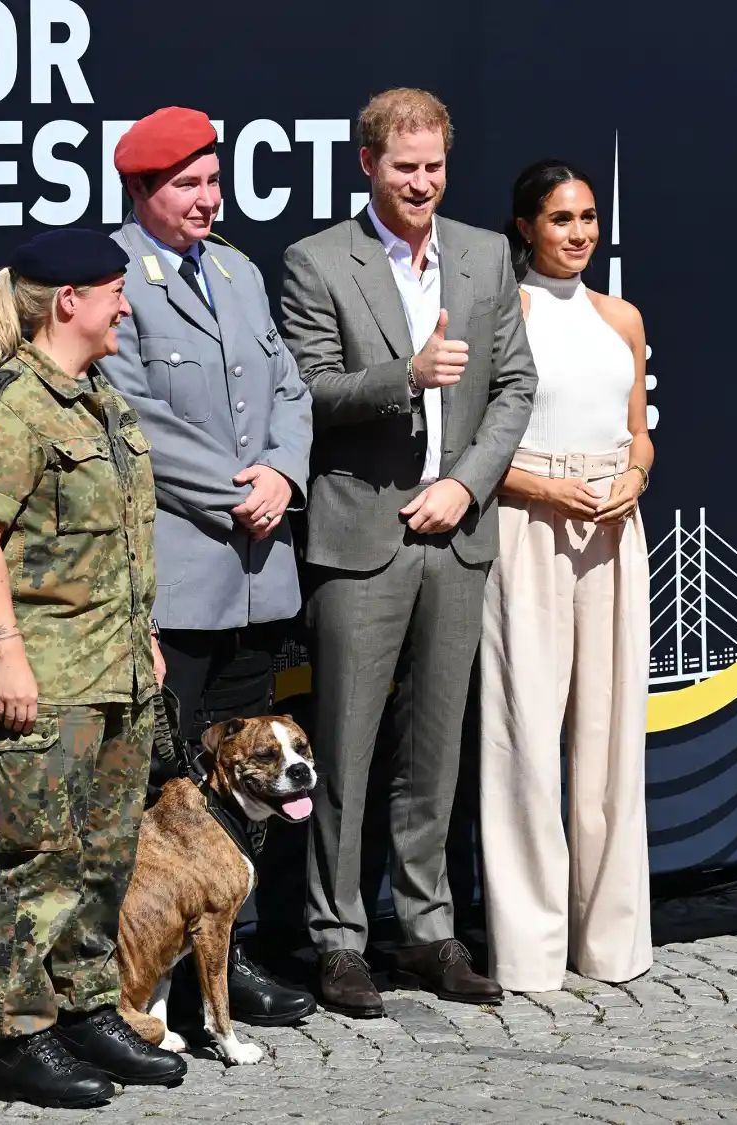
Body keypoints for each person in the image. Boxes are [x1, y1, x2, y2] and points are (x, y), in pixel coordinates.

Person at [280, 88, 538, 1016]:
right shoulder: (317, 262)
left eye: (433, 167)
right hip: (361, 540)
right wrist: (407, 377)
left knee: (434, 750)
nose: (421, 183)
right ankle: (338, 939)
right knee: (343, 752)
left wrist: (466, 483)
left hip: (458, 533)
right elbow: (306, 389)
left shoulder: (483, 253)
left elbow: (515, 386)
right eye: (404, 167)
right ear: (367, 165)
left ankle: (426, 931)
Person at [0, 228, 186, 1108]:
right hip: (45, 678)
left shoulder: (100, 399)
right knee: (37, 859)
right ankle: (18, 1034)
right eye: (116, 291)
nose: (127, 304)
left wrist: (144, 635)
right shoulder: (8, 407)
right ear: (71, 301)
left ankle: (88, 1009)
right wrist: (9, 655)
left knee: (105, 854)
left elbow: (121, 539)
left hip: (116, 671)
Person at [97, 107, 316, 1027]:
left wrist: (284, 470)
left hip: (258, 573)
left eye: (213, 181)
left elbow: (290, 388)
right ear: (142, 190)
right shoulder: (112, 276)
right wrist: (239, 487)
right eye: (186, 185)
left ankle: (235, 956)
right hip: (185, 577)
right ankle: (143, 981)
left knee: (251, 788)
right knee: (169, 798)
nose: (207, 199)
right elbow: (135, 416)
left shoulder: (236, 267)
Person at [479, 160, 654, 992]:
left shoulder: (621, 317)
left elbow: (637, 430)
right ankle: (529, 951)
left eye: (586, 216)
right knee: (524, 740)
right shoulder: (499, 312)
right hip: (526, 523)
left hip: (615, 531)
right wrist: (545, 487)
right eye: (560, 219)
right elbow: (472, 446)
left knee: (610, 737)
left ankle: (611, 940)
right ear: (525, 227)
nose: (579, 232)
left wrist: (636, 476)